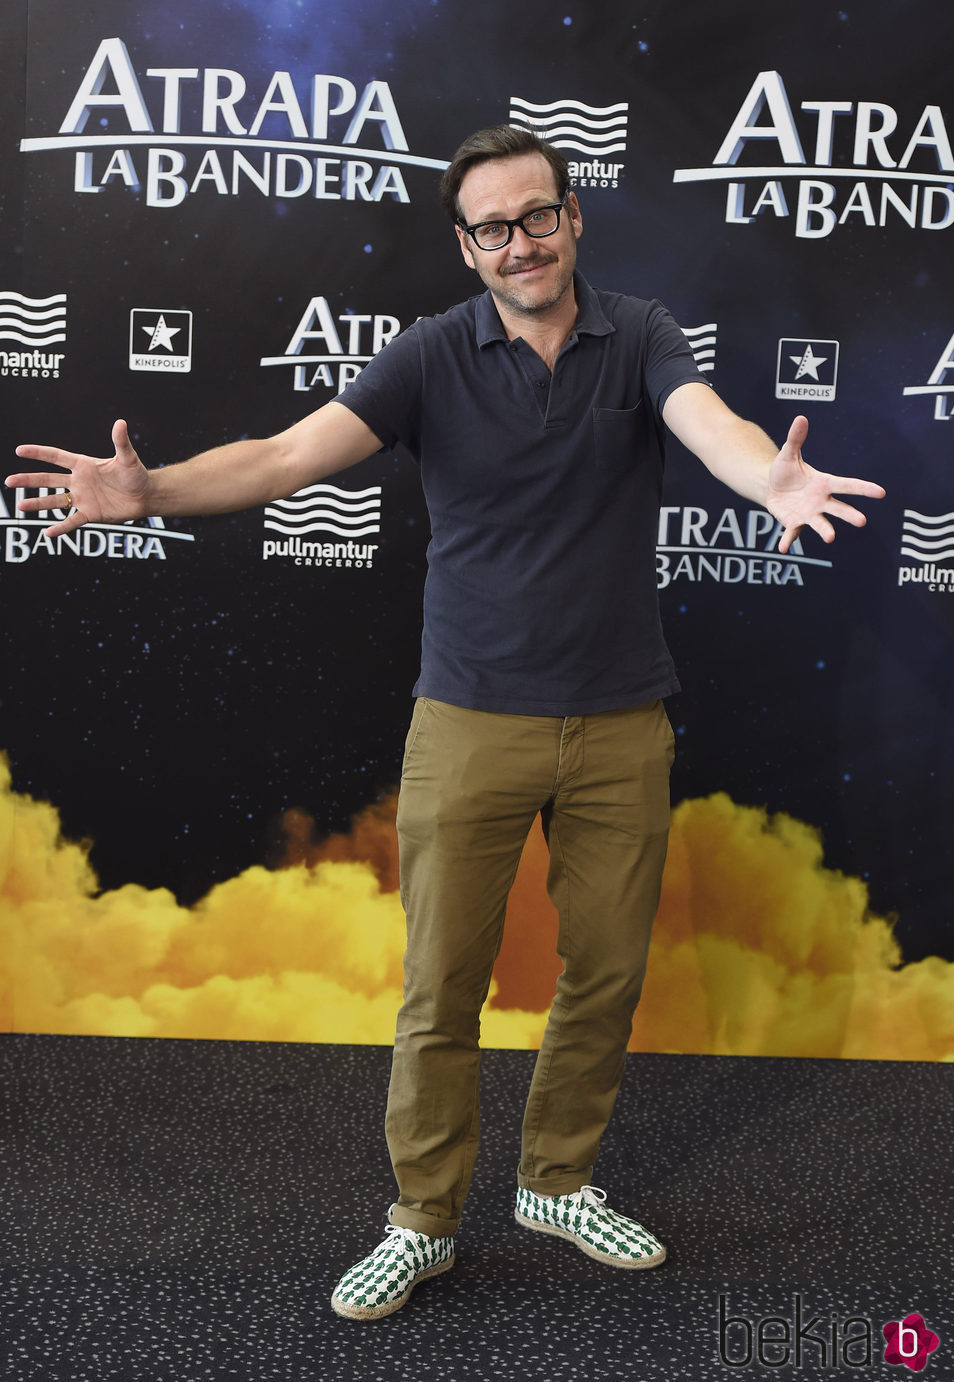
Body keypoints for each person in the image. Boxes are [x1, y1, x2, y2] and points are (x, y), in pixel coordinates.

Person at [7, 125, 885, 1323]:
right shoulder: (427, 356)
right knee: (440, 989)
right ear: (464, 247)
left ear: (572, 218)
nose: (517, 242)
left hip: (622, 721)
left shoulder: (642, 334)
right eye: (490, 227)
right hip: (468, 719)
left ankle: (558, 1181)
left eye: (536, 216)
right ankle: (421, 1218)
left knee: (605, 972)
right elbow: (283, 455)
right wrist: (152, 491)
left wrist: (770, 479)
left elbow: (710, 424)